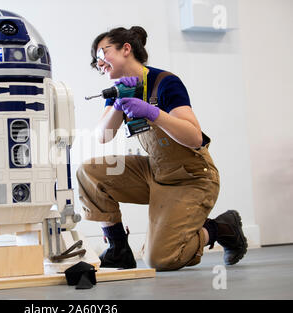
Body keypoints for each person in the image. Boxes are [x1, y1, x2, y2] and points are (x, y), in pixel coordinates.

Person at [76, 26, 248, 271]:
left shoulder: (164, 82)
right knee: (89, 172)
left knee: (160, 259)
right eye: (96, 61)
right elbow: (103, 136)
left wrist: (153, 113)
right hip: (155, 171)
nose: (99, 62)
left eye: (103, 54)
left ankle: (221, 228)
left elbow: (194, 137)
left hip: (191, 176)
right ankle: (118, 248)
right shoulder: (118, 91)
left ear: (126, 49)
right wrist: (118, 103)